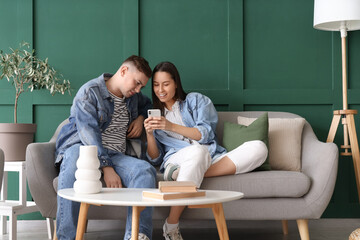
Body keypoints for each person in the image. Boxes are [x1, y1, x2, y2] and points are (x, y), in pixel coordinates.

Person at [144, 61, 268, 240]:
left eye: (166, 84)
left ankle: (186, 173)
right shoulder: (155, 113)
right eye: (156, 85)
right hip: (177, 158)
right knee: (197, 152)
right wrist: (149, 135)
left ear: (176, 83)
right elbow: (156, 159)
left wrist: (171, 126)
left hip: (212, 156)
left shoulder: (196, 100)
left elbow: (205, 135)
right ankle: (171, 224)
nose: (160, 90)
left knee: (259, 147)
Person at [55, 55, 156, 240]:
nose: (138, 89)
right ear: (124, 71)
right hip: (84, 148)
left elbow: (148, 104)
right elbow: (89, 135)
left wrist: (141, 119)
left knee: (145, 170)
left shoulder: (133, 96)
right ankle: (66, 237)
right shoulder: (89, 92)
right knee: (74, 159)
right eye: (137, 83)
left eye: (142, 86)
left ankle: (136, 236)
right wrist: (106, 167)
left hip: (117, 155)